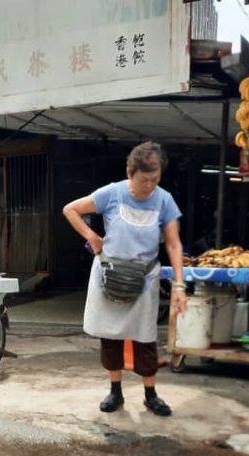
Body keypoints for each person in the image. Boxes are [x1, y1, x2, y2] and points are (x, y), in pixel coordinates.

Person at [63, 142, 186, 416]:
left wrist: (179, 284)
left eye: (155, 179)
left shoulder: (164, 200)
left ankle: (150, 394)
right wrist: (92, 237)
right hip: (110, 275)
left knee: (145, 339)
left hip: (145, 279)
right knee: (110, 335)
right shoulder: (111, 193)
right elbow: (70, 209)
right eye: (145, 180)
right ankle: (115, 392)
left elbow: (174, 244)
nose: (150, 186)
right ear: (130, 173)